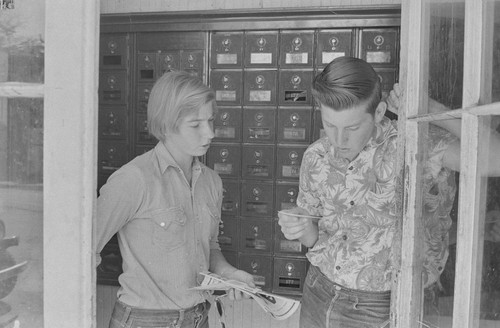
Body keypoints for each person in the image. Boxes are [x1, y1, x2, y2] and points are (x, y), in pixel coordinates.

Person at [278, 56, 500, 328]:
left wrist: (429, 107)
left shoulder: (416, 147)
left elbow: (495, 158)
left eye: (352, 127)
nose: (339, 140)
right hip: (318, 291)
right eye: (330, 125)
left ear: (380, 112)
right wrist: (299, 227)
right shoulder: (315, 156)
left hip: (385, 305)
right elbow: (314, 239)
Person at [96, 70, 255, 328]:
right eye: (196, 125)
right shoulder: (133, 179)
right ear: (166, 125)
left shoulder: (211, 182)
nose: (210, 133)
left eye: (211, 121)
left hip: (198, 318)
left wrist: (230, 274)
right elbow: (82, 250)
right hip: (143, 321)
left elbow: (209, 248)